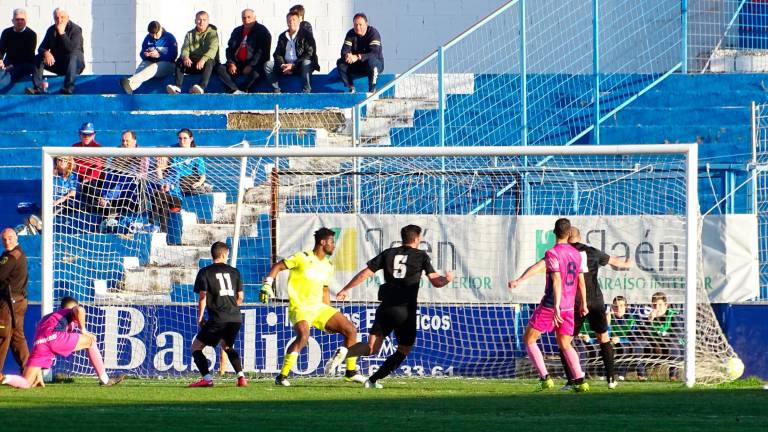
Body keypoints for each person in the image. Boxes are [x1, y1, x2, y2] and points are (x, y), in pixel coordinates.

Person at [330, 224, 454, 389]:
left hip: (386, 308)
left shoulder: (388, 253)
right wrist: (447, 279)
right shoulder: (421, 256)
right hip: (405, 310)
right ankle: (372, 380)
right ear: (417, 238)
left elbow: (364, 273)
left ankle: (347, 352)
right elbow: (436, 282)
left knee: (371, 347)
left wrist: (346, 289)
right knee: (403, 350)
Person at [509, 226, 631, 389]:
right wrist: (626, 263)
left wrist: (520, 280)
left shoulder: (558, 252)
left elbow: (552, 276)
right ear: (578, 237)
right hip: (590, 302)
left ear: (562, 235)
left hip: (564, 303)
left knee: (549, 341)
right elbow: (605, 267)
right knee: (599, 338)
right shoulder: (586, 253)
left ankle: (558, 379)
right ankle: (607, 379)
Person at [260, 227, 364, 386]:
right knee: (303, 336)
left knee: (351, 330)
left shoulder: (329, 265)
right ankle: (282, 376)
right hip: (300, 307)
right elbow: (278, 266)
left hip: (319, 308)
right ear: (323, 242)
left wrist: (330, 312)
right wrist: (268, 284)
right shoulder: (302, 257)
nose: (333, 245)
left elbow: (324, 289)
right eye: (331, 242)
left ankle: (350, 372)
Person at [508, 218, 589, 392]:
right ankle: (580, 381)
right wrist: (583, 303)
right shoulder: (577, 254)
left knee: (529, 339)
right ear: (569, 234)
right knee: (565, 344)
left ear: (554, 232)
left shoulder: (553, 253)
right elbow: (580, 281)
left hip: (553, 305)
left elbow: (556, 279)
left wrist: (556, 307)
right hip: (570, 306)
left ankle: (545, 378)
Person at [1, 296, 124, 388]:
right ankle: (105, 380)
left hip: (40, 344)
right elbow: (80, 310)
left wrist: (38, 372)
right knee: (90, 341)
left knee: (27, 382)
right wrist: (84, 330)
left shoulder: (47, 318)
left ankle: (4, 378)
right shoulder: (68, 312)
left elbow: (40, 337)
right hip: (55, 338)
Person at [188, 242, 247, 387]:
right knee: (226, 346)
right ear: (224, 254)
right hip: (235, 317)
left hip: (218, 318)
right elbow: (240, 297)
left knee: (196, 347)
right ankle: (241, 377)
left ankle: (207, 380)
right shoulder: (235, 272)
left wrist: (200, 317)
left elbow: (203, 297)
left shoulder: (205, 272)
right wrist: (231, 308)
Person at [26, 8, 84, 95]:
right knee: (38, 57)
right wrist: (46, 53)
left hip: (75, 65)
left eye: (62, 17)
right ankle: (38, 88)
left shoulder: (76, 30)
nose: (59, 20)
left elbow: (71, 49)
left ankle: (68, 88)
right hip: (59, 64)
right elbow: (41, 48)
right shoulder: (51, 30)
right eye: (56, 18)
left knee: (72, 55)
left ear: (68, 18)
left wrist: (62, 33)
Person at [216, 9, 271, 94]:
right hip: (238, 64)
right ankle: (234, 89)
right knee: (220, 68)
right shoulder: (237, 31)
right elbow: (229, 49)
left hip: (254, 64)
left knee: (257, 73)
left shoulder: (262, 31)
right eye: (244, 18)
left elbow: (262, 52)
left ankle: (243, 90)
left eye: (249, 17)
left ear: (254, 18)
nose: (246, 20)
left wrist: (251, 65)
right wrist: (231, 63)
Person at [0, 228, 29, 381]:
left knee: (2, 334)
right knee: (17, 337)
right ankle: (30, 370)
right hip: (17, 301)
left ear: (16, 238)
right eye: (4, 239)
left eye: (10, 238)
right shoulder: (13, 254)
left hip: (11, 302)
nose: (7, 241)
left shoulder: (12, 256)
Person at [264, 11, 317, 94]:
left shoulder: (306, 35)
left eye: (294, 20)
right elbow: (277, 54)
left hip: (299, 66)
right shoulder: (282, 36)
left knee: (307, 63)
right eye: (289, 20)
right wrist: (282, 65)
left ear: (299, 21)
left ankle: (306, 90)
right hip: (285, 67)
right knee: (268, 65)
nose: (291, 22)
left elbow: (310, 53)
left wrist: (293, 65)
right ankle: (276, 89)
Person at [167, 11, 218, 94]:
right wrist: (185, 57)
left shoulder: (212, 33)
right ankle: (177, 87)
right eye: (199, 20)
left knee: (210, 61)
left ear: (208, 21)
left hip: (205, 65)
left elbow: (212, 49)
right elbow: (185, 48)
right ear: (195, 21)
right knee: (180, 61)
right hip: (192, 64)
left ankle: (201, 87)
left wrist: (203, 59)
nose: (201, 22)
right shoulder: (189, 34)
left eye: (204, 20)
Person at [120, 21, 177, 95]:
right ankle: (130, 86)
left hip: (167, 65)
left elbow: (173, 56)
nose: (154, 36)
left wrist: (159, 55)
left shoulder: (169, 37)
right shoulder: (148, 38)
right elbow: (142, 53)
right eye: (152, 34)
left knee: (153, 67)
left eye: (156, 34)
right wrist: (146, 54)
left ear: (160, 29)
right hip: (152, 60)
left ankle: (130, 82)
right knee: (143, 65)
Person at [639, 291, 683, 381]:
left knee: (673, 347)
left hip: (675, 347)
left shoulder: (673, 316)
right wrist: (650, 321)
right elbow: (644, 336)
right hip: (656, 346)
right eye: (654, 305)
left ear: (666, 305)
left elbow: (676, 336)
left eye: (660, 305)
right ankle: (642, 375)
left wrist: (660, 343)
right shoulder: (650, 317)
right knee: (639, 346)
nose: (657, 308)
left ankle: (673, 376)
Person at [336, 13, 383, 93]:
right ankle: (351, 88)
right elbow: (344, 51)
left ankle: (372, 90)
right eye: (355, 25)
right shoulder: (351, 33)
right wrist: (347, 56)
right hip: (358, 65)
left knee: (372, 62)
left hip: (374, 64)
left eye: (360, 24)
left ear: (366, 24)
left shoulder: (373, 33)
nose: (358, 27)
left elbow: (374, 53)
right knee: (340, 63)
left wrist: (357, 56)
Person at [607, 295, 646, 381]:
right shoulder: (609, 318)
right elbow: (605, 335)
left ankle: (622, 374)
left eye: (621, 306)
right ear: (612, 307)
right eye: (616, 306)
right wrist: (608, 324)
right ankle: (603, 374)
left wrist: (620, 339)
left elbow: (633, 338)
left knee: (627, 347)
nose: (618, 308)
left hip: (627, 344)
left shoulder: (631, 319)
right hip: (612, 343)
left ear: (626, 307)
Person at [0, 8, 36, 92]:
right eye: (17, 19)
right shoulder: (6, 32)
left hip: (25, 64)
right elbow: (1, 49)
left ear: (26, 21)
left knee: (8, 75)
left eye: (22, 19)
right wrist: (0, 60)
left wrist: (12, 66)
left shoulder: (31, 34)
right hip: (8, 63)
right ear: (12, 21)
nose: (19, 22)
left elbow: (28, 55)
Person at [71, 122, 104, 212]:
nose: (86, 137)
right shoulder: (74, 147)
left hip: (92, 180)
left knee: (90, 187)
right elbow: (70, 164)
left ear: (94, 135)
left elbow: (98, 169)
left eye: (89, 134)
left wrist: (86, 180)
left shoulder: (97, 148)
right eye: (84, 134)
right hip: (78, 177)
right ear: (80, 134)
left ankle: (94, 206)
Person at [169, 128, 210, 194]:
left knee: (197, 190)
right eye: (180, 138)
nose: (182, 141)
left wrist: (199, 183)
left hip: (190, 179)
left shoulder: (196, 153)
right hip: (176, 179)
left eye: (185, 138)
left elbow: (203, 175)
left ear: (191, 139)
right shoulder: (171, 149)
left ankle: (204, 187)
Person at [288, 5, 319, 71]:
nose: (291, 20)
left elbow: (309, 51)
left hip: (302, 61)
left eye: (294, 16)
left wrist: (294, 63)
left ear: (300, 17)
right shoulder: (289, 32)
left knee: (305, 63)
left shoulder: (305, 26)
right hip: (294, 62)